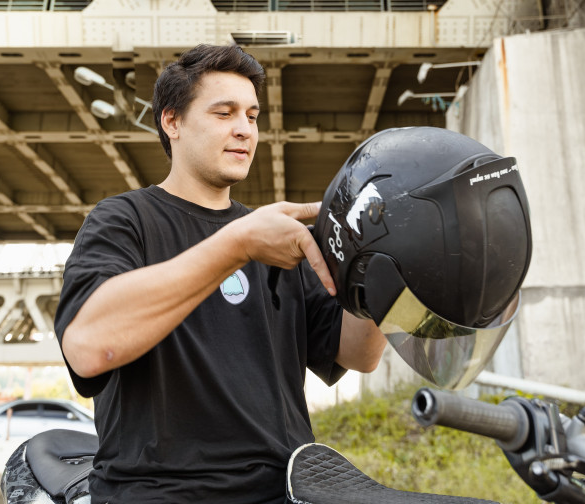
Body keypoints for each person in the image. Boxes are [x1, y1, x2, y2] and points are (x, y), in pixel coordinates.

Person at [54, 44, 387, 504]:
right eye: (224, 113)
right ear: (172, 122)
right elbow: (90, 348)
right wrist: (238, 244)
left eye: (252, 116)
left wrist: (374, 263)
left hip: (285, 490)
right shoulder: (124, 220)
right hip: (157, 493)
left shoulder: (273, 235)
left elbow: (357, 353)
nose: (244, 130)